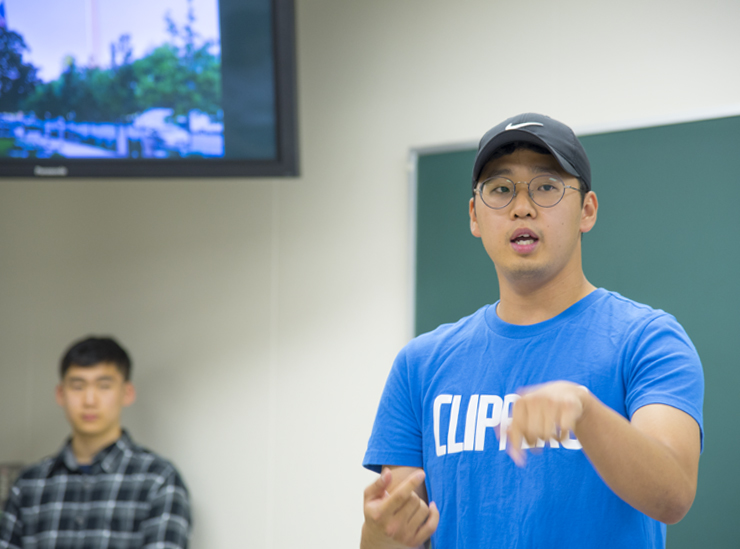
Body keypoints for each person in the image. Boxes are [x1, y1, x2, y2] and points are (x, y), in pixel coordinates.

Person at [361, 113, 704, 548]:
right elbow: (399, 532)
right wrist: (376, 534)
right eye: (500, 190)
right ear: (474, 216)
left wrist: (585, 411)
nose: (521, 206)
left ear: (587, 210)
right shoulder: (421, 364)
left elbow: (673, 493)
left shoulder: (647, 341)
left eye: (546, 187)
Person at [0, 336, 191, 549]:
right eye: (78, 386)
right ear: (60, 394)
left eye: (104, 386)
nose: (90, 400)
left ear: (127, 393)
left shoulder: (158, 480)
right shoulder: (29, 485)